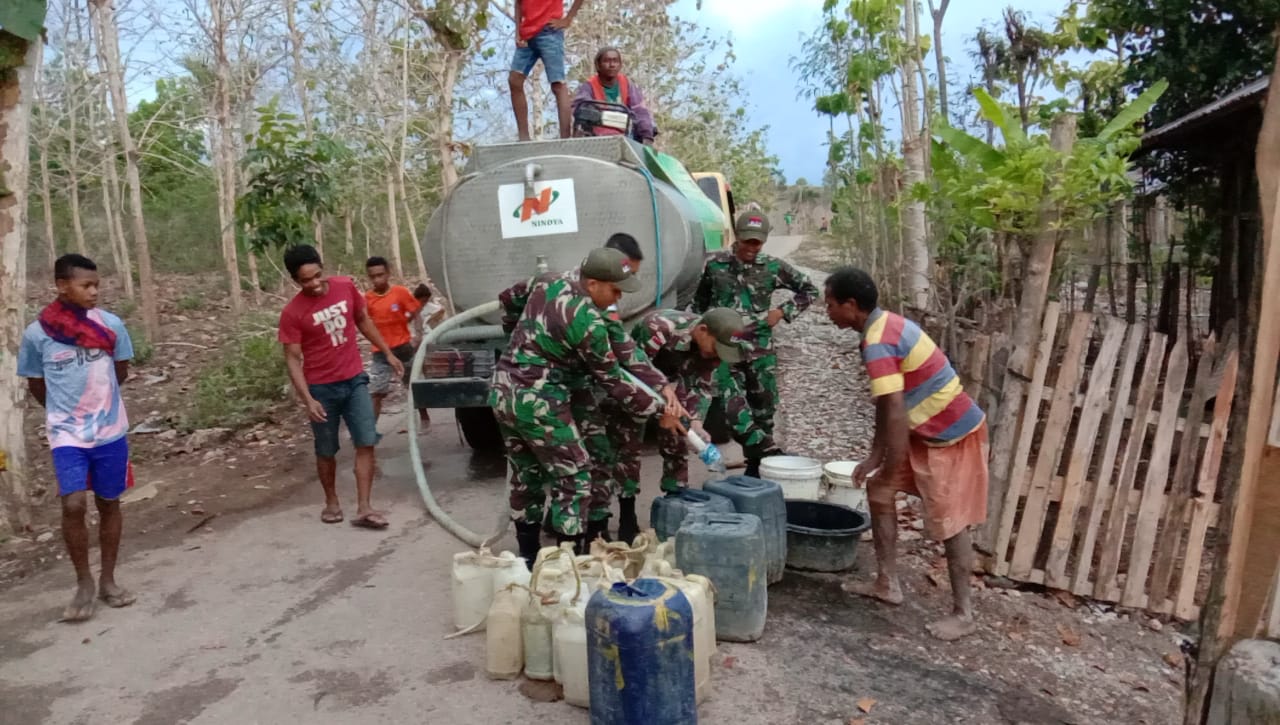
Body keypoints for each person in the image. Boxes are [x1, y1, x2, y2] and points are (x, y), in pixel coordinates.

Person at [823, 267, 989, 642]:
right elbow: (886, 404)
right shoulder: (880, 329)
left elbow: (895, 409)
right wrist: (875, 457)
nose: (827, 312)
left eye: (831, 305)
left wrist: (890, 461)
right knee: (879, 491)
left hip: (951, 434)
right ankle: (887, 583)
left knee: (952, 521)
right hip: (919, 429)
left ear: (851, 306)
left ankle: (964, 613)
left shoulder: (878, 342)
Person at [492, 248, 677, 566]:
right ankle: (567, 564)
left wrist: (660, 385)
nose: (617, 298)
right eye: (615, 290)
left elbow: (508, 297)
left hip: (502, 391)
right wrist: (660, 412)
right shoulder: (586, 320)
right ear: (593, 283)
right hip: (538, 400)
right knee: (575, 476)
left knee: (527, 475)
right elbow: (613, 379)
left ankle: (527, 559)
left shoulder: (548, 281)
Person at [18, 254, 137, 623]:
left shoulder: (111, 325)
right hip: (67, 434)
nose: (94, 292)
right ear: (61, 286)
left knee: (109, 502)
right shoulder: (38, 334)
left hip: (110, 432)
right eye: (86, 285)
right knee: (72, 504)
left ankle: (109, 581)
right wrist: (65, 416)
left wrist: (99, 406)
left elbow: (121, 371)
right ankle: (83, 581)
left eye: (96, 285)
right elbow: (37, 384)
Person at [612, 307, 771, 542]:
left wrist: (695, 421)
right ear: (702, 331)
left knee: (679, 433)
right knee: (627, 443)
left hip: (673, 382)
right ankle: (627, 513)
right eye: (716, 351)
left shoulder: (712, 351)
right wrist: (659, 409)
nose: (717, 359)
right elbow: (630, 373)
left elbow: (700, 386)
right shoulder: (659, 328)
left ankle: (675, 500)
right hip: (634, 384)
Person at [279, 244, 402, 530]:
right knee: (326, 449)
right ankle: (331, 501)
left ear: (323, 268)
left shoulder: (345, 287)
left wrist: (387, 352)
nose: (314, 284)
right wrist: (308, 399)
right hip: (321, 388)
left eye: (317, 275)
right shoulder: (293, 312)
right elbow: (293, 359)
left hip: (355, 380)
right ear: (295, 281)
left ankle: (364, 507)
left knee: (366, 440)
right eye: (305, 280)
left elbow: (362, 320)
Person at [692, 210, 818, 477]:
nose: (751, 247)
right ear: (737, 237)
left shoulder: (772, 267)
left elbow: (809, 289)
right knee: (732, 410)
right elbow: (699, 304)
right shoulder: (715, 265)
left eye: (756, 243)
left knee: (763, 409)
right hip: (724, 350)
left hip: (759, 349)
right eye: (747, 241)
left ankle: (757, 467)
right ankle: (767, 452)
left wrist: (782, 312)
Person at [363, 257, 429, 427]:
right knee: (376, 392)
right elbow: (365, 323)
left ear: (388, 273)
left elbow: (415, 312)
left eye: (380, 275)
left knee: (412, 384)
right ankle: (369, 432)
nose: (378, 279)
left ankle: (424, 417)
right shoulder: (368, 299)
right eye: (373, 276)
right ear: (369, 277)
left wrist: (419, 335)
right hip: (381, 352)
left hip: (403, 348)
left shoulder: (400, 292)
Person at [509, 0, 585, 141]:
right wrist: (518, 31)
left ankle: (565, 139)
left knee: (557, 84)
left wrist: (567, 19)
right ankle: (523, 137)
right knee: (514, 80)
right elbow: (518, 3)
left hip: (549, 31)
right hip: (526, 35)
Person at [571, 47, 657, 144]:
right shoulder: (589, 86)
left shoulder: (627, 84)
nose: (612, 65)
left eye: (615, 61)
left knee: (646, 123)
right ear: (598, 65)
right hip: (596, 136)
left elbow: (640, 110)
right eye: (607, 61)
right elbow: (579, 107)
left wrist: (647, 135)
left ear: (620, 65)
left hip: (625, 135)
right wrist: (596, 115)